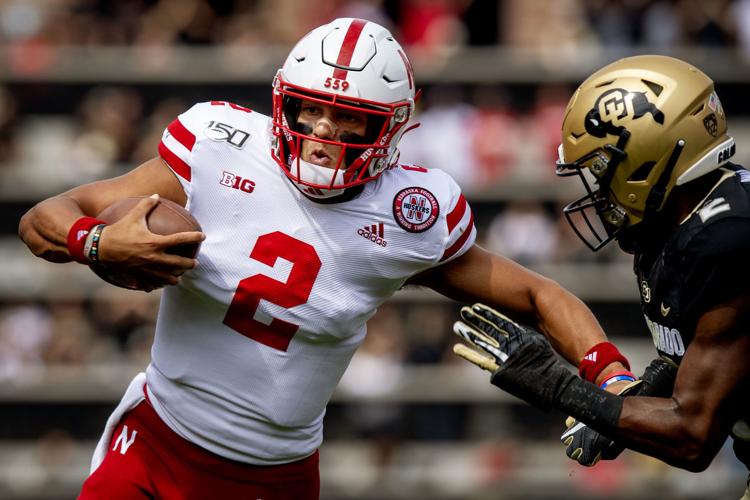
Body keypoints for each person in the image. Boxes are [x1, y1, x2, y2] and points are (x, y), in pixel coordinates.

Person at [19, 18, 629, 500]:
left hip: (272, 474)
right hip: (155, 440)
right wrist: (92, 243)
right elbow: (45, 217)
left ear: (389, 131)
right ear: (285, 101)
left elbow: (538, 295)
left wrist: (611, 380)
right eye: (311, 108)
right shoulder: (218, 146)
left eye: (347, 118)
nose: (321, 129)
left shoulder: (409, 212)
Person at [452, 54, 750, 496]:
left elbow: (693, 436)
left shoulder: (730, 239)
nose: (595, 189)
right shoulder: (678, 224)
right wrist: (617, 409)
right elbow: (684, 357)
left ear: (648, 161)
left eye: (600, 169)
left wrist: (562, 388)